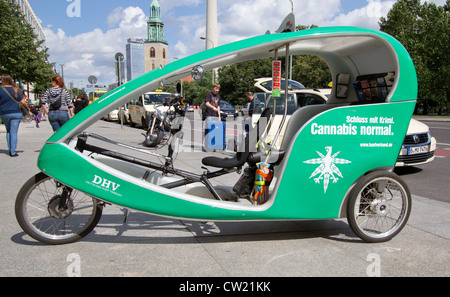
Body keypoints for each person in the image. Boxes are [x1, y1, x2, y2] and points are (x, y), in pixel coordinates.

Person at [0, 74, 32, 157]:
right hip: (16, 113)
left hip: (5, 113)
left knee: (8, 131)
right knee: (13, 132)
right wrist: (28, 109)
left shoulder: (1, 90)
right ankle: (13, 152)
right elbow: (23, 102)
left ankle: (10, 148)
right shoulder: (16, 89)